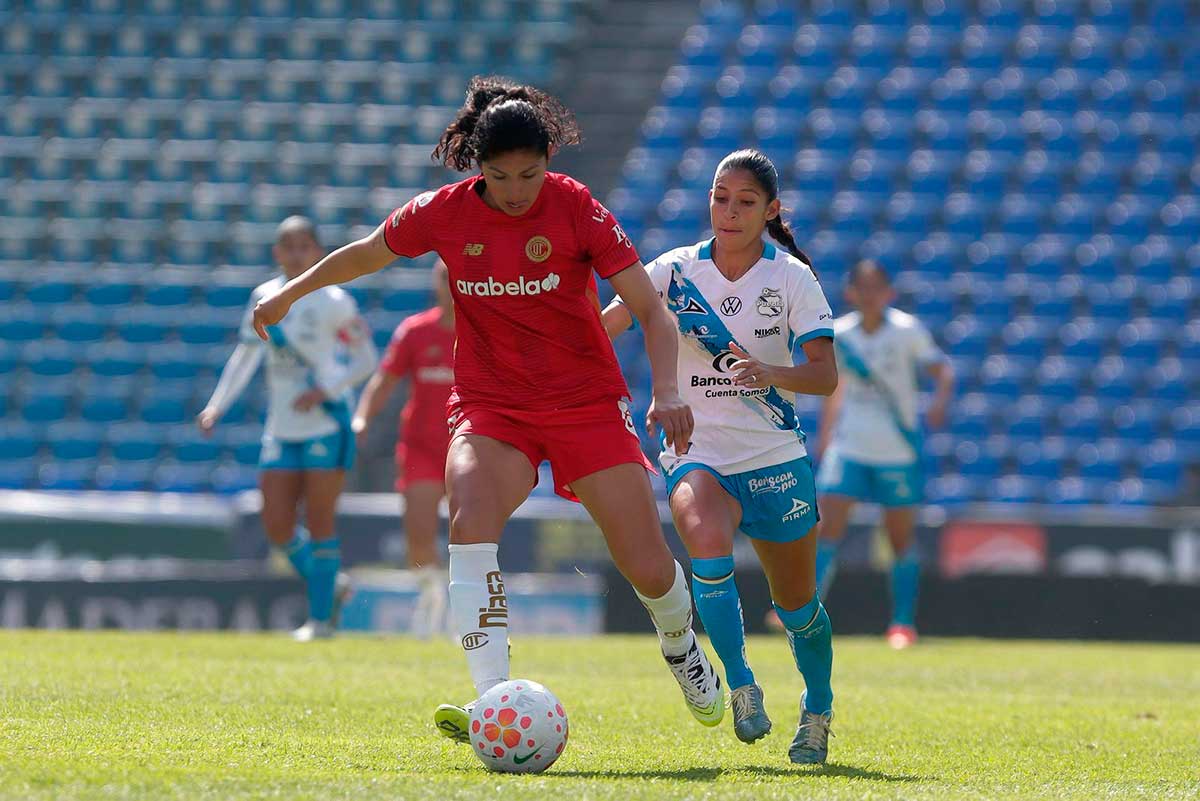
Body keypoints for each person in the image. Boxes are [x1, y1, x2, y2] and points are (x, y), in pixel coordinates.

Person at [247, 75, 725, 741]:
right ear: (478, 166)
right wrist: (289, 294)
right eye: (501, 176)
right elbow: (365, 253)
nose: (516, 190)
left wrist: (668, 390)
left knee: (645, 563)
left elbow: (650, 309)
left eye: (530, 173)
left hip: (585, 401)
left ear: (548, 162)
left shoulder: (577, 208)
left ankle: (681, 645)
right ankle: (493, 697)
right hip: (492, 405)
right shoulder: (443, 212)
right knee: (469, 520)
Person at [604, 149, 840, 764]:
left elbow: (824, 376)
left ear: (770, 211)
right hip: (697, 451)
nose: (728, 211)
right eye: (719, 197)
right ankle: (741, 685)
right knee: (704, 545)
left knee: (797, 607)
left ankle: (817, 708)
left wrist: (771, 373)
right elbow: (605, 328)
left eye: (744, 202)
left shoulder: (790, 277)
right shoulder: (673, 271)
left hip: (773, 456)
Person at [198, 216, 378, 641]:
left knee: (320, 522)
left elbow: (366, 358)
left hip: (326, 423)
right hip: (281, 427)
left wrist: (324, 389)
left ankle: (320, 621)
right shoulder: (263, 296)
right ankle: (333, 585)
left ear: (317, 250)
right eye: (288, 246)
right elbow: (246, 355)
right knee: (276, 524)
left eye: (305, 245)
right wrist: (216, 406)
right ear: (277, 252)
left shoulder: (334, 300)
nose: (297, 253)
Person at [814, 260, 955, 649]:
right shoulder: (839, 335)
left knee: (899, 537)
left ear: (888, 293)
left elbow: (941, 369)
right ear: (851, 293)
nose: (869, 295)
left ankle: (902, 623)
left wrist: (939, 402)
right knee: (827, 528)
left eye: (877, 287)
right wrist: (826, 438)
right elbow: (833, 390)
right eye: (862, 287)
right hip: (851, 445)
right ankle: (803, 613)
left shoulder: (907, 331)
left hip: (896, 449)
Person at [353, 260, 455, 637]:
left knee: (470, 535)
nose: (450, 284)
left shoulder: (485, 331)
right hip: (421, 448)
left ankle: (465, 611)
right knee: (419, 533)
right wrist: (362, 417)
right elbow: (385, 380)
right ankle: (429, 600)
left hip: (468, 447)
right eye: (443, 277)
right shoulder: (415, 331)